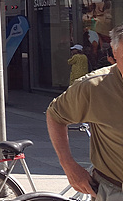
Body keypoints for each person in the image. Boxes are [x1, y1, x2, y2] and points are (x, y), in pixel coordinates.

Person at [46, 23, 123, 200]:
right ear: (114, 52)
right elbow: (55, 115)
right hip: (115, 190)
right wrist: (69, 165)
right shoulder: (94, 86)